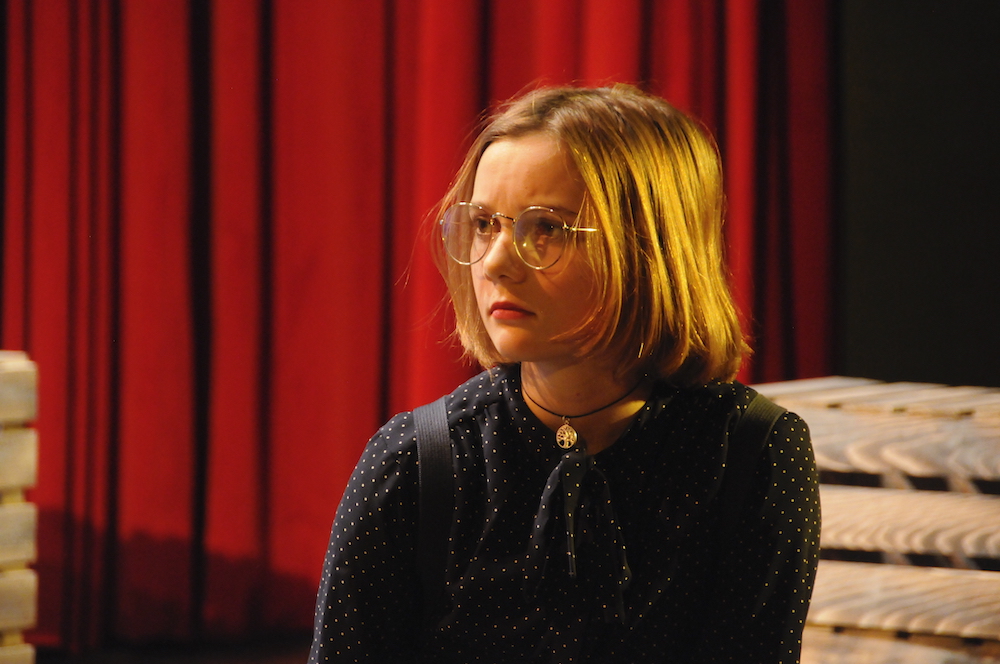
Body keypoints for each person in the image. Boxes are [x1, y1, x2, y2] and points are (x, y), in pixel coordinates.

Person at [308, 84, 820, 663]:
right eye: (483, 225)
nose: (495, 262)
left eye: (545, 228)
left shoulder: (751, 453)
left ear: (648, 246)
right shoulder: (414, 465)